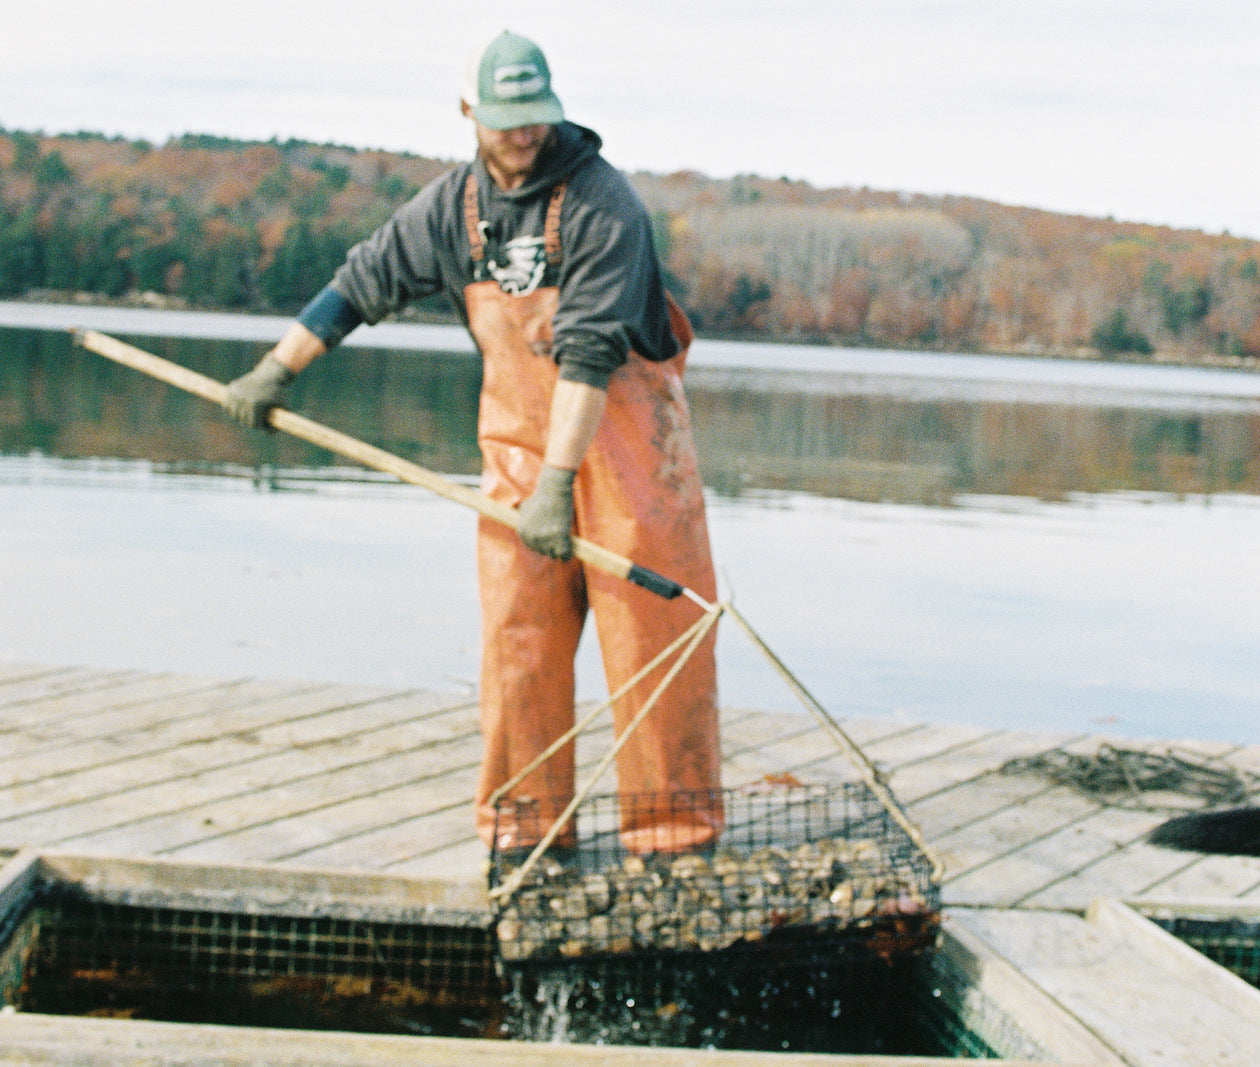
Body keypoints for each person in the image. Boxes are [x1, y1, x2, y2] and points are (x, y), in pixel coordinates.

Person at [224, 31, 722, 858]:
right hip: (519, 454)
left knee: (652, 643)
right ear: (467, 113)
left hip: (631, 457)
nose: (524, 135)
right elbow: (359, 284)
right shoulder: (450, 209)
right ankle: (526, 832)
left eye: (536, 119)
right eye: (506, 121)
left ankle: (672, 838)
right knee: (518, 642)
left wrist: (561, 485)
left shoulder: (605, 205)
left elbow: (590, 354)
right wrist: (276, 371)